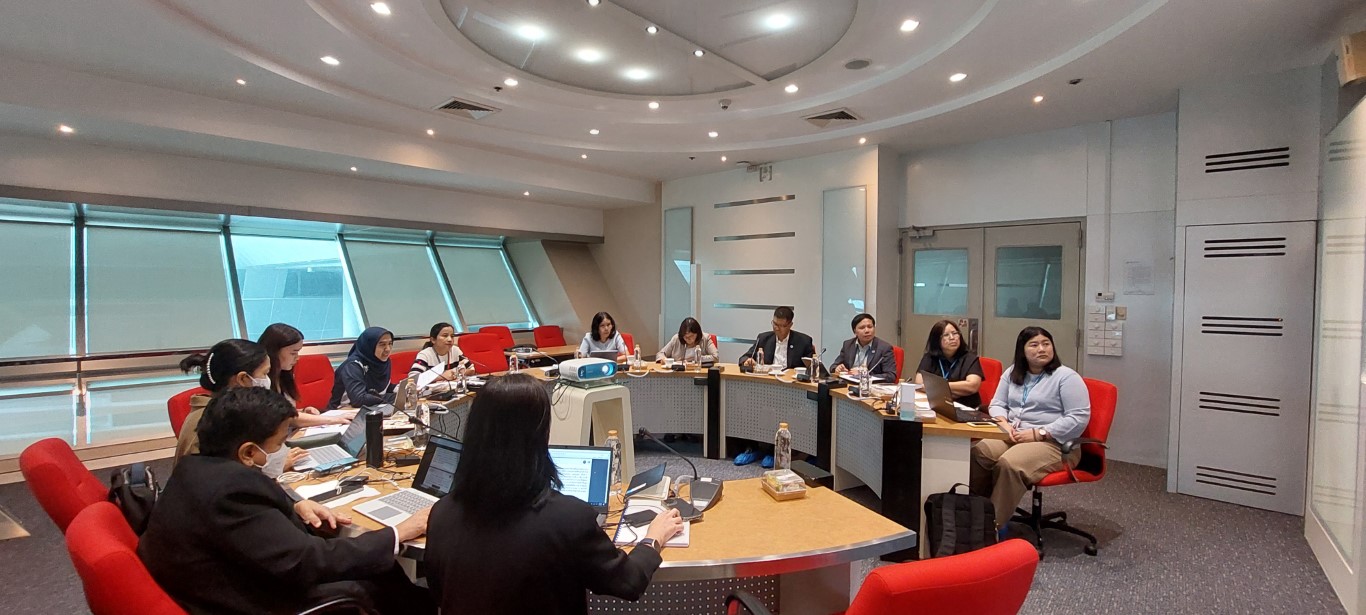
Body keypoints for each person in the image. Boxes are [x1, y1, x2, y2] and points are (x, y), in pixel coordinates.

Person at [139, 387, 433, 615]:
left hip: (230, 578)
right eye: (279, 443)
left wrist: (293, 506)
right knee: (381, 575)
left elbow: (250, 528)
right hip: (256, 600)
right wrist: (399, 532)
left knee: (384, 569)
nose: (282, 450)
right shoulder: (231, 493)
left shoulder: (194, 469)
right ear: (248, 453)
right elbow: (308, 561)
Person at [426, 374, 684, 614]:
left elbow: (438, 592)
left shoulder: (441, 514)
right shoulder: (569, 518)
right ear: (540, 435)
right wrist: (653, 538)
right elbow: (629, 582)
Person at [971, 326, 1091, 530]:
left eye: (1046, 344)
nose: (1041, 349)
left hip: (1055, 444)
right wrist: (1003, 423)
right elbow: (997, 403)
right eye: (1034, 345)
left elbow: (1078, 417)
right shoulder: (1013, 373)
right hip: (1014, 434)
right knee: (979, 453)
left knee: (1010, 464)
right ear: (1022, 350)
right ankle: (971, 514)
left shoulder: (1066, 377)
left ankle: (991, 527)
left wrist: (1039, 433)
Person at [174, 338, 307, 474]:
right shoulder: (214, 420)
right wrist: (275, 465)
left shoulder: (229, 409)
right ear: (243, 379)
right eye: (265, 373)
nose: (268, 380)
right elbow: (221, 478)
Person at [257, 323, 350, 425]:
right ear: (274, 351)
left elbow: (285, 412)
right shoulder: (261, 382)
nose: (297, 357)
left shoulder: (283, 376)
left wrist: (303, 411)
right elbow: (282, 417)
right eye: (293, 353)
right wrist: (332, 420)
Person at [912, 320, 985, 408]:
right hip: (938, 406)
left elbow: (972, 386)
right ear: (936, 340)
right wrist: (958, 390)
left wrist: (935, 388)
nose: (952, 338)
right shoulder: (930, 358)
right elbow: (919, 384)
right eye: (946, 335)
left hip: (966, 407)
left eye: (955, 333)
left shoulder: (970, 358)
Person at [327, 326, 395, 409]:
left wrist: (403, 390)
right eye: (382, 344)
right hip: (341, 411)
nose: (388, 349)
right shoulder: (353, 365)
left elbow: (383, 388)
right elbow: (359, 400)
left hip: (371, 408)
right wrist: (389, 399)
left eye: (390, 343)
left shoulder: (383, 362)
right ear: (370, 345)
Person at [738, 306, 816, 372]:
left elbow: (812, 368)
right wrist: (747, 361)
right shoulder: (763, 338)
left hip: (791, 382)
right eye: (775, 324)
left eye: (781, 326)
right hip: (768, 380)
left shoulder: (804, 342)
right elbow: (745, 357)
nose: (776, 328)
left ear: (790, 325)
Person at [830, 313, 897, 381]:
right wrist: (837, 368)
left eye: (870, 327)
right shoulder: (848, 345)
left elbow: (891, 376)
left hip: (870, 385)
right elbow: (833, 366)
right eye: (862, 328)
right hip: (849, 384)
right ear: (855, 331)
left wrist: (865, 375)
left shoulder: (884, 348)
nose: (867, 331)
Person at [408, 322, 474, 381]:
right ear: (433, 340)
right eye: (445, 336)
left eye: (452, 336)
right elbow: (412, 379)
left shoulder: (455, 350)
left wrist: (455, 373)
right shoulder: (425, 355)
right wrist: (441, 376)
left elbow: (471, 370)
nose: (450, 339)